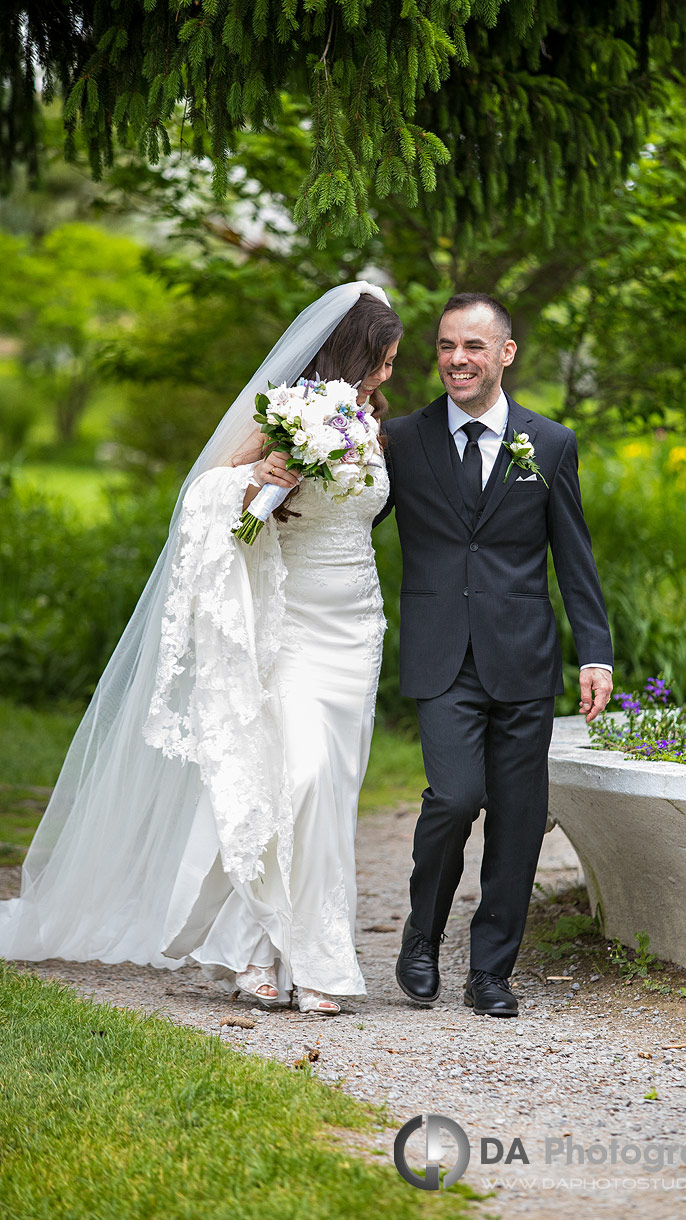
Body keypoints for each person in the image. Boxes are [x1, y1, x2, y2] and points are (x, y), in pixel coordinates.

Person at [0, 282, 402, 1017]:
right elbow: (203, 492)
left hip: (357, 624)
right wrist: (260, 478)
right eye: (382, 361)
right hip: (292, 620)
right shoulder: (289, 413)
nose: (387, 375)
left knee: (327, 792)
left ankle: (266, 955)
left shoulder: (373, 425)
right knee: (296, 778)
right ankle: (287, 955)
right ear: (354, 353)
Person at [374, 292, 613, 1018]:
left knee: (516, 812)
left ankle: (490, 972)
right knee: (452, 798)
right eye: (446, 346)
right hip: (440, 654)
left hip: (522, 658)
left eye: (473, 347)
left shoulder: (550, 443)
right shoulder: (403, 440)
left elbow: (573, 555)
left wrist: (594, 654)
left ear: (504, 354)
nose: (457, 360)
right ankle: (421, 935)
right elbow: (353, 520)